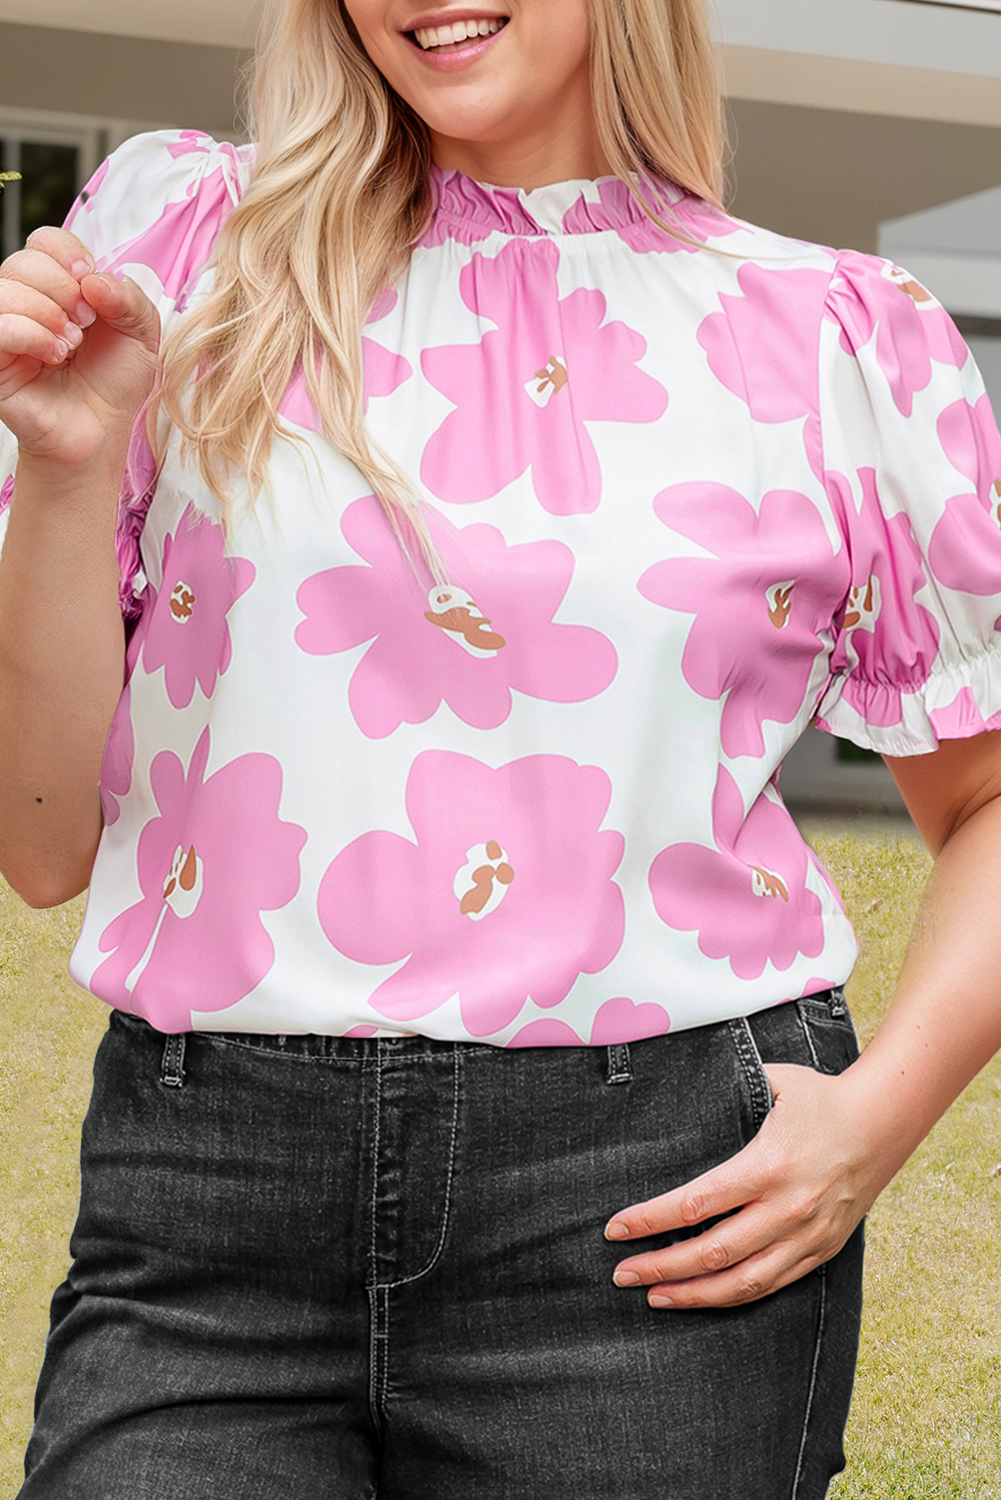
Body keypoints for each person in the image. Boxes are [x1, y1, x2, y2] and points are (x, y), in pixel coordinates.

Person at [3, 0, 1001, 1495]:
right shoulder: (186, 244)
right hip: (211, 1208)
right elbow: (37, 845)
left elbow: (986, 792)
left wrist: (874, 1124)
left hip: (654, 1205)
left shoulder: (832, 334)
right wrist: (69, 472)